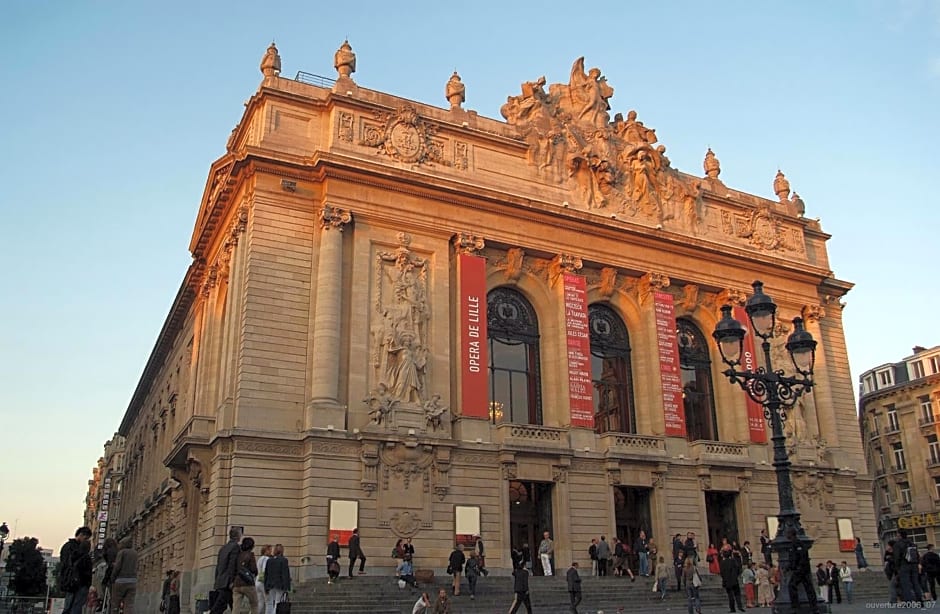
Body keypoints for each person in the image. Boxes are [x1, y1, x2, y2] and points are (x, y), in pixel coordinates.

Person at [59, 526, 94, 614]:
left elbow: (64, 564)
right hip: (80, 582)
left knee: (68, 606)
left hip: (70, 581)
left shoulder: (67, 546)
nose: (86, 540)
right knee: (76, 606)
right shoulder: (81, 551)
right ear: (81, 535)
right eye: (86, 538)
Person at [785, 529, 820, 614]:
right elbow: (794, 559)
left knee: (792, 585)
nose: (786, 535)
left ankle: (796, 607)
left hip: (801, 570)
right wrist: (789, 567)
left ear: (791, 534)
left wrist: (797, 568)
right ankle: (814, 608)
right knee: (809, 588)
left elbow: (801, 558)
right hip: (801, 570)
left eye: (787, 533)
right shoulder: (794, 544)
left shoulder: (797, 544)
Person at [210, 526, 242, 614]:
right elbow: (232, 565)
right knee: (220, 606)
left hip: (221, 580)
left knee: (232, 604)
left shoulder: (223, 548)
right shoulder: (235, 547)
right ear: (238, 536)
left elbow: (219, 565)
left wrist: (217, 580)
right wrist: (232, 581)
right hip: (227, 582)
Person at [893, 528, 924, 603]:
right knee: (915, 582)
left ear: (899, 535)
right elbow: (917, 555)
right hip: (914, 564)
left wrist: (897, 568)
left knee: (905, 584)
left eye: (897, 534)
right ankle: (919, 599)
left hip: (904, 565)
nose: (896, 535)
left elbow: (896, 557)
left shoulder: (898, 544)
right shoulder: (912, 543)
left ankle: (908, 601)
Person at [109, 538, 138, 614]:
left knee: (115, 603)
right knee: (129, 605)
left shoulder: (121, 552)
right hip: (132, 581)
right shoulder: (135, 553)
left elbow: (117, 566)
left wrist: (112, 577)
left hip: (120, 580)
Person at [233, 537, 259, 614]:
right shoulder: (250, 555)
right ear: (251, 546)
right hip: (248, 583)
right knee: (254, 604)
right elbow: (253, 569)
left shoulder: (238, 555)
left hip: (237, 583)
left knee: (236, 606)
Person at [263, 543, 291, 614]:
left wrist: (265, 586)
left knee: (270, 604)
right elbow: (285, 574)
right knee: (278, 603)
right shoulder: (284, 560)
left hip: (270, 584)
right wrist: (287, 587)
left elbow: (266, 574)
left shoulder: (269, 560)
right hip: (279, 584)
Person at [719, 548, 745, 613]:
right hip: (734, 580)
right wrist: (736, 575)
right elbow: (738, 569)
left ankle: (732, 608)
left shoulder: (722, 563)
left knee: (730, 596)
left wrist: (724, 579)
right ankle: (740, 606)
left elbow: (722, 572)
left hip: (727, 581)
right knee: (737, 594)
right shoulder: (733, 561)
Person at [255, 545, 271, 614]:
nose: (271, 551)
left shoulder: (259, 559)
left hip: (257, 581)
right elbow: (265, 569)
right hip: (263, 582)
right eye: (269, 550)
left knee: (260, 602)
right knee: (268, 602)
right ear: (266, 551)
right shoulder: (267, 559)